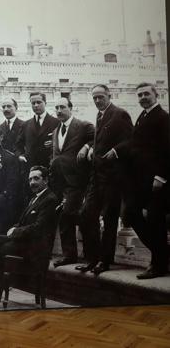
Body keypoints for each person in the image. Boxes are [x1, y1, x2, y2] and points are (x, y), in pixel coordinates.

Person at [0, 166, 58, 306]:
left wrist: (15, 232)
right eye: (30, 179)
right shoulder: (35, 198)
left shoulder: (50, 199)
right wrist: (14, 227)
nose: (32, 182)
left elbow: (39, 228)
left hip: (34, 248)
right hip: (24, 241)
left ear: (46, 180)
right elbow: (22, 222)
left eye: (36, 178)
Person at [115, 82, 169, 279]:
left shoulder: (162, 118)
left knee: (156, 222)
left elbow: (167, 149)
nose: (143, 98)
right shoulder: (143, 116)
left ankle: (158, 264)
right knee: (131, 213)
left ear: (157, 95)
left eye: (146, 94)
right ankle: (162, 255)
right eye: (140, 95)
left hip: (157, 182)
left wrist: (161, 177)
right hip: (141, 180)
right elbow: (135, 143)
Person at [77, 84, 133, 275]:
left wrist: (116, 150)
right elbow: (100, 138)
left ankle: (104, 261)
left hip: (113, 177)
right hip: (96, 176)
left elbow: (130, 140)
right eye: (94, 98)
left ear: (109, 95)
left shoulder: (120, 114)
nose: (97, 100)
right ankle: (92, 258)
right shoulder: (100, 115)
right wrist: (92, 147)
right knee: (85, 215)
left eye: (101, 97)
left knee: (109, 220)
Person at [49, 98, 94, 267]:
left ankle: (88, 255)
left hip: (78, 181)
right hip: (60, 182)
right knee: (64, 216)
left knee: (72, 215)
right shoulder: (55, 131)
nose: (59, 110)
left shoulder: (83, 126)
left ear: (70, 108)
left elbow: (97, 137)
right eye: (56, 107)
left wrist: (87, 147)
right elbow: (56, 155)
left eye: (62, 107)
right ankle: (71, 255)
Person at [16, 92, 60, 169]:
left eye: (39, 102)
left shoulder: (56, 123)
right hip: (30, 168)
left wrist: (54, 143)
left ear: (45, 103)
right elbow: (18, 145)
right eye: (33, 103)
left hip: (50, 167)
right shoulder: (25, 125)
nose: (36, 105)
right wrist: (20, 156)